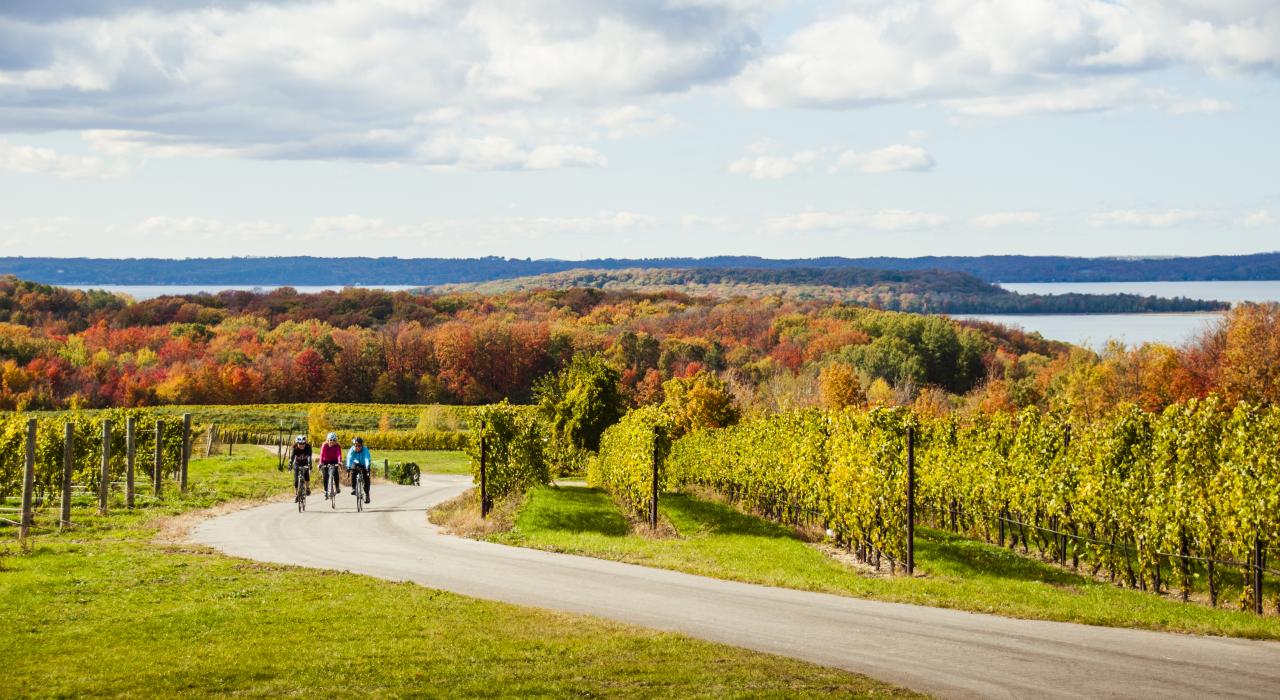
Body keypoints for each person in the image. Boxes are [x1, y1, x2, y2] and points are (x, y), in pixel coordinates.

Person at [347, 436, 373, 503]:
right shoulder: (352, 450)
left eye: (359, 446)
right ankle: (353, 488)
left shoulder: (365, 449)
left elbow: (367, 458)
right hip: (356, 464)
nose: (357, 447)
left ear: (362, 445)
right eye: (356, 446)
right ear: (354, 445)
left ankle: (367, 494)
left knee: (366, 479)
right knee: (353, 471)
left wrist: (367, 467)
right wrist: (348, 467)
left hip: (364, 465)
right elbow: (349, 458)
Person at [318, 432, 343, 498]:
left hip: (334, 460)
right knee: (325, 475)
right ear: (327, 440)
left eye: (333, 440)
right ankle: (326, 491)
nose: (331, 442)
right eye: (330, 440)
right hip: (325, 460)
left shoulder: (337, 446)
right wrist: (320, 463)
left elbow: (339, 455)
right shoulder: (324, 445)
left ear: (336, 441)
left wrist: (339, 462)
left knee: (335, 472)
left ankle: (337, 487)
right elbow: (321, 455)